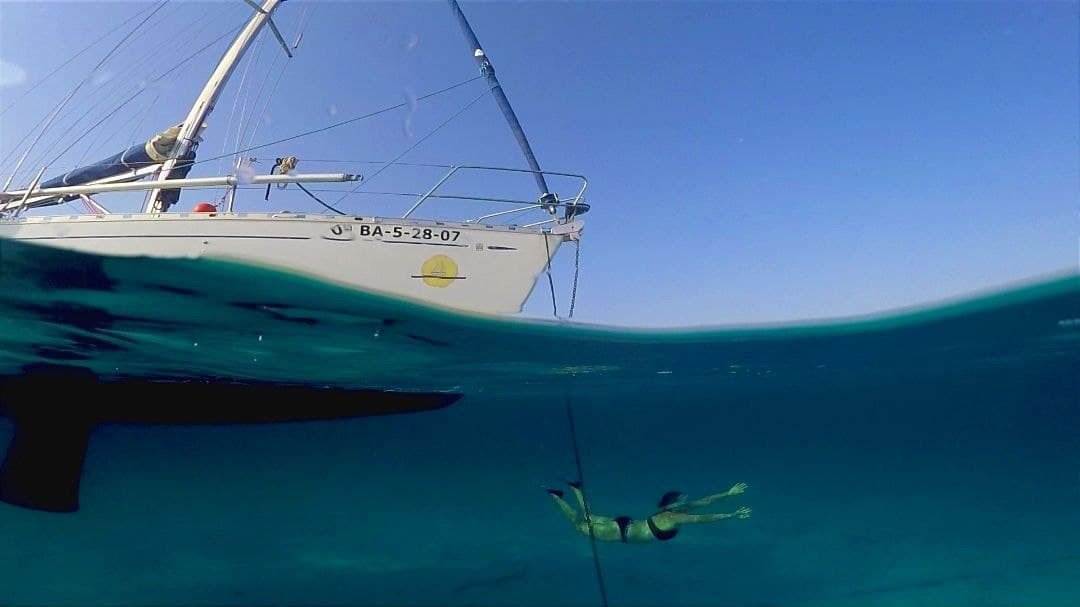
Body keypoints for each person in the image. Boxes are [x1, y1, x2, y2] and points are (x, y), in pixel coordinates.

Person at [545, 480, 751, 543]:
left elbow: (704, 502)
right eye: (684, 499)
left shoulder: (671, 509)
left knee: (588, 517)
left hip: (625, 525)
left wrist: (728, 493)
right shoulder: (674, 515)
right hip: (619, 532)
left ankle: (577, 490)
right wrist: (730, 515)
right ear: (673, 503)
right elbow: (702, 518)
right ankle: (557, 497)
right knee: (578, 524)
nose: (688, 501)